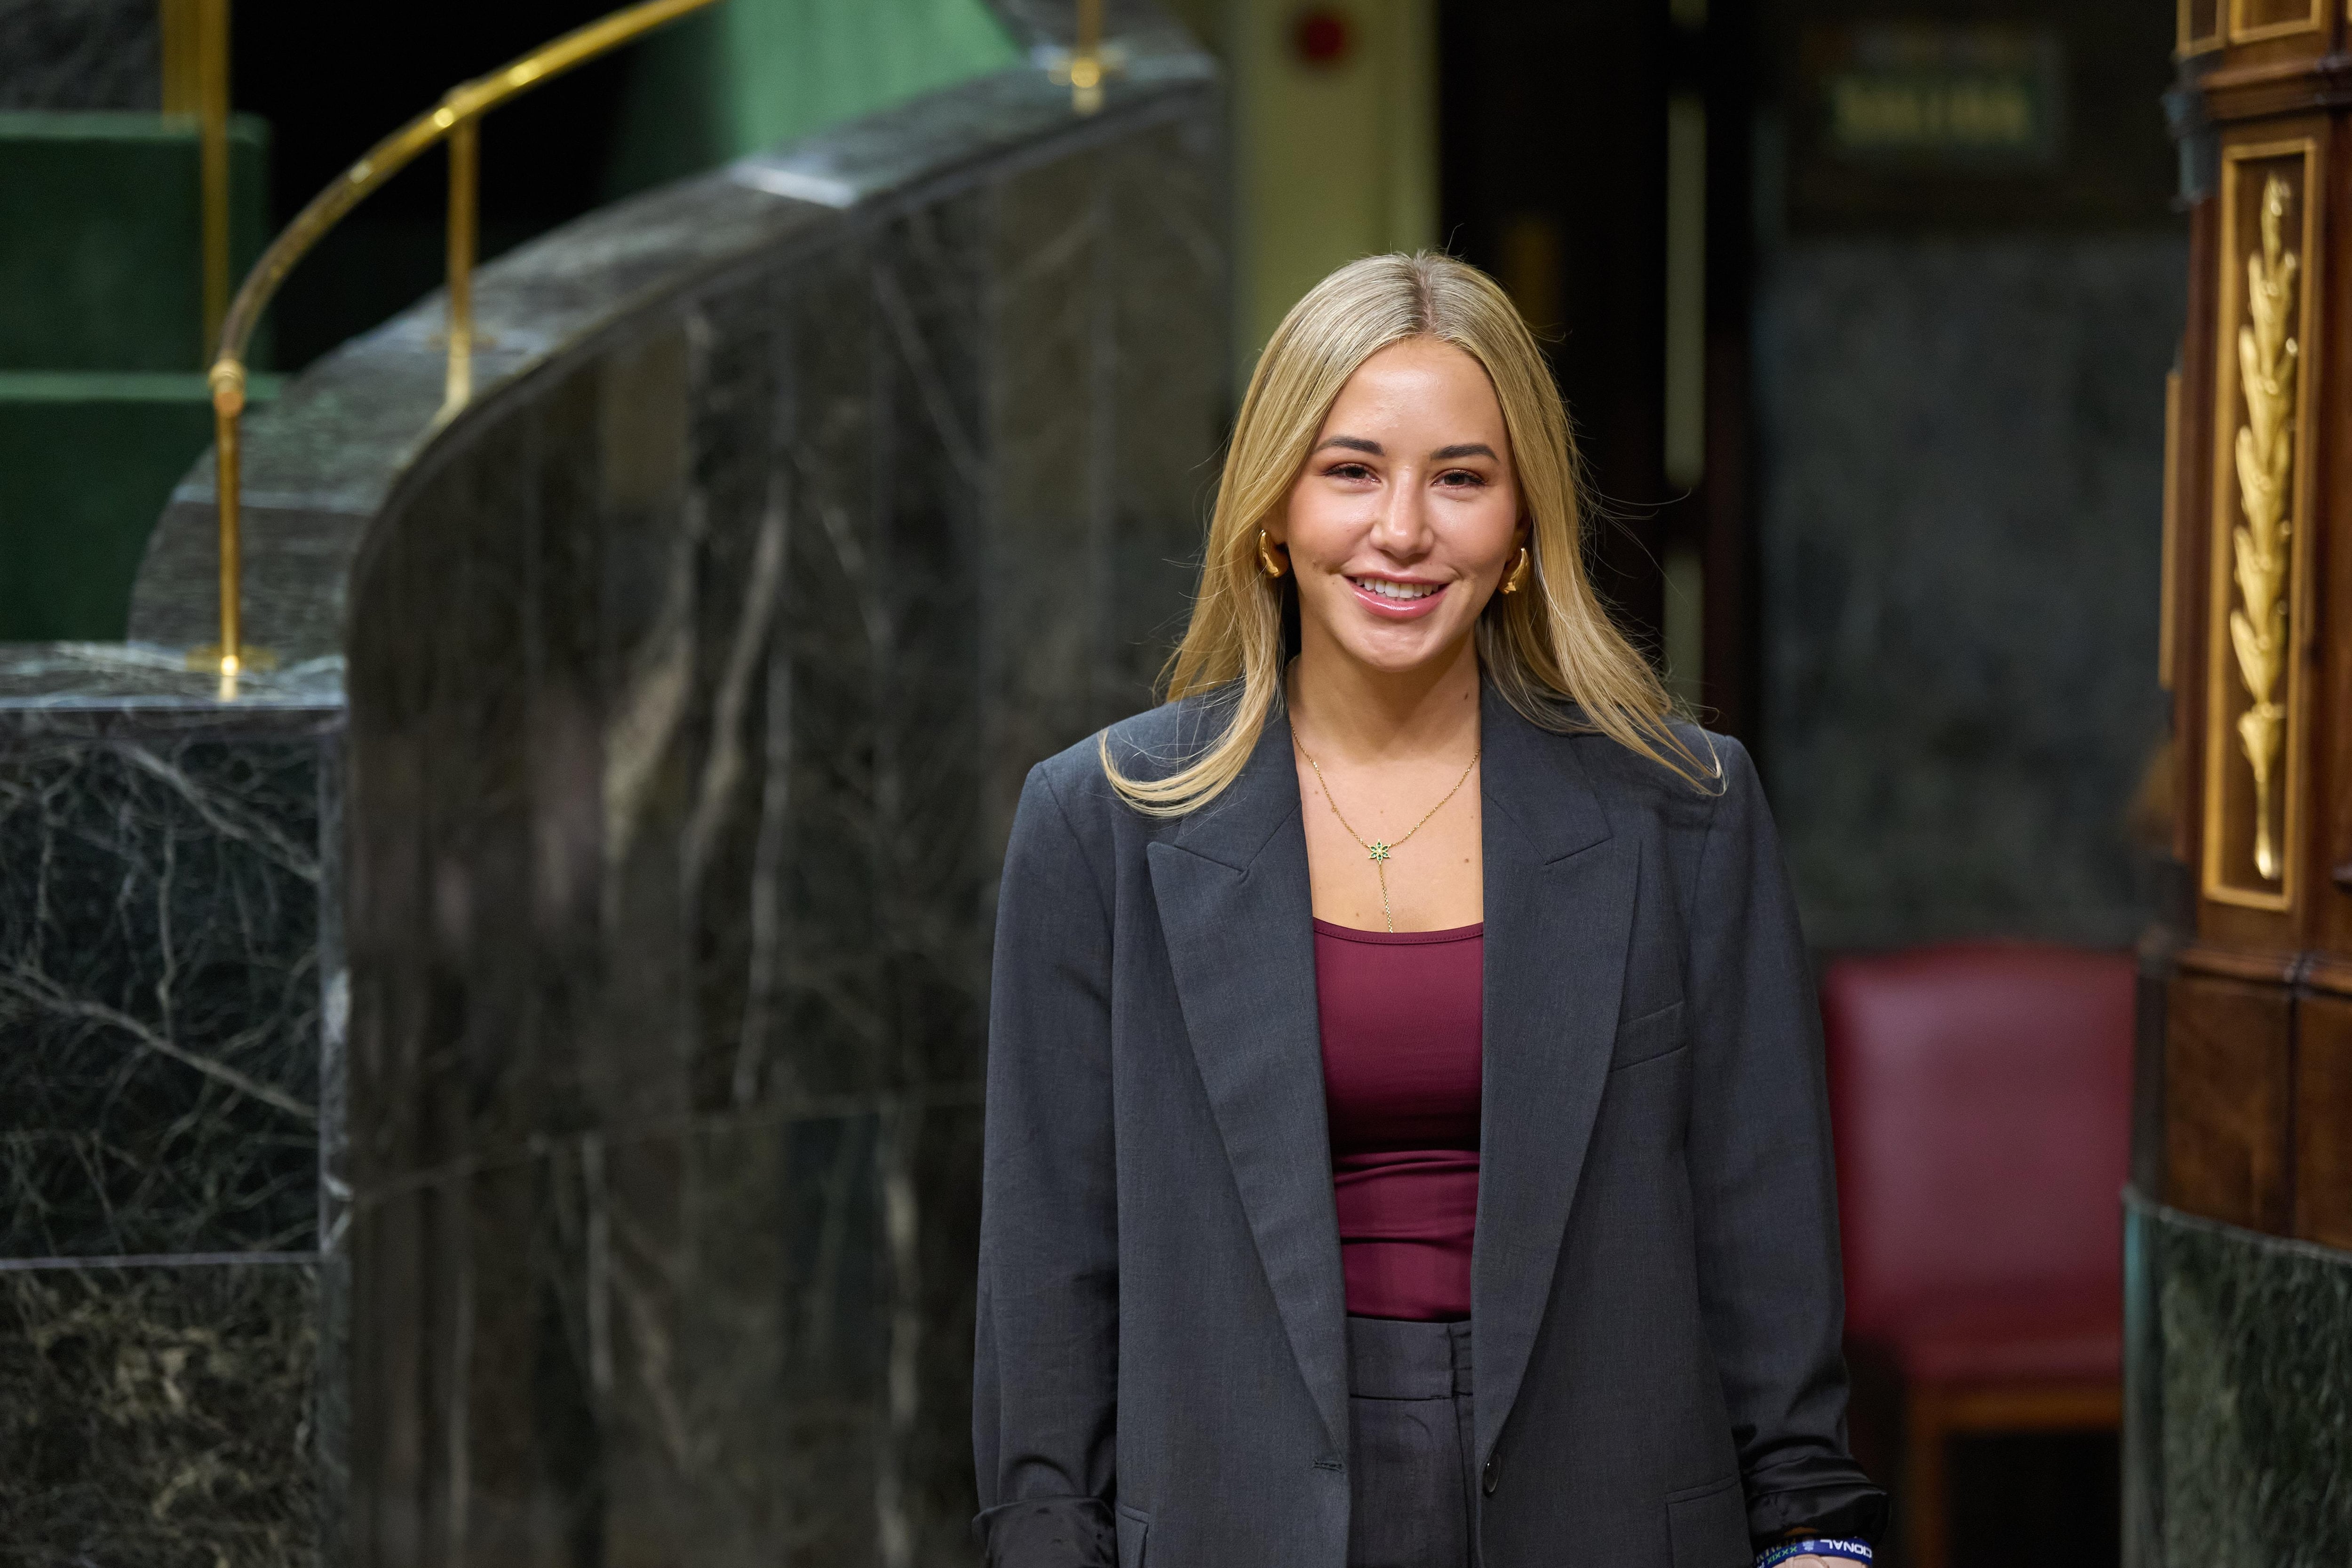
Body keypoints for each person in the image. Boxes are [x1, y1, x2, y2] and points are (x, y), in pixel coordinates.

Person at [973, 253, 1884, 1568]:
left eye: (1461, 478)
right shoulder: (1100, 822)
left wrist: (1811, 1541)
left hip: (1614, 1512)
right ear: (1273, 511)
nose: (1403, 529)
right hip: (1239, 1518)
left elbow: (1767, 1236)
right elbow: (1051, 1277)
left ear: (1521, 528)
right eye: (1351, 471)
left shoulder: (1685, 812)